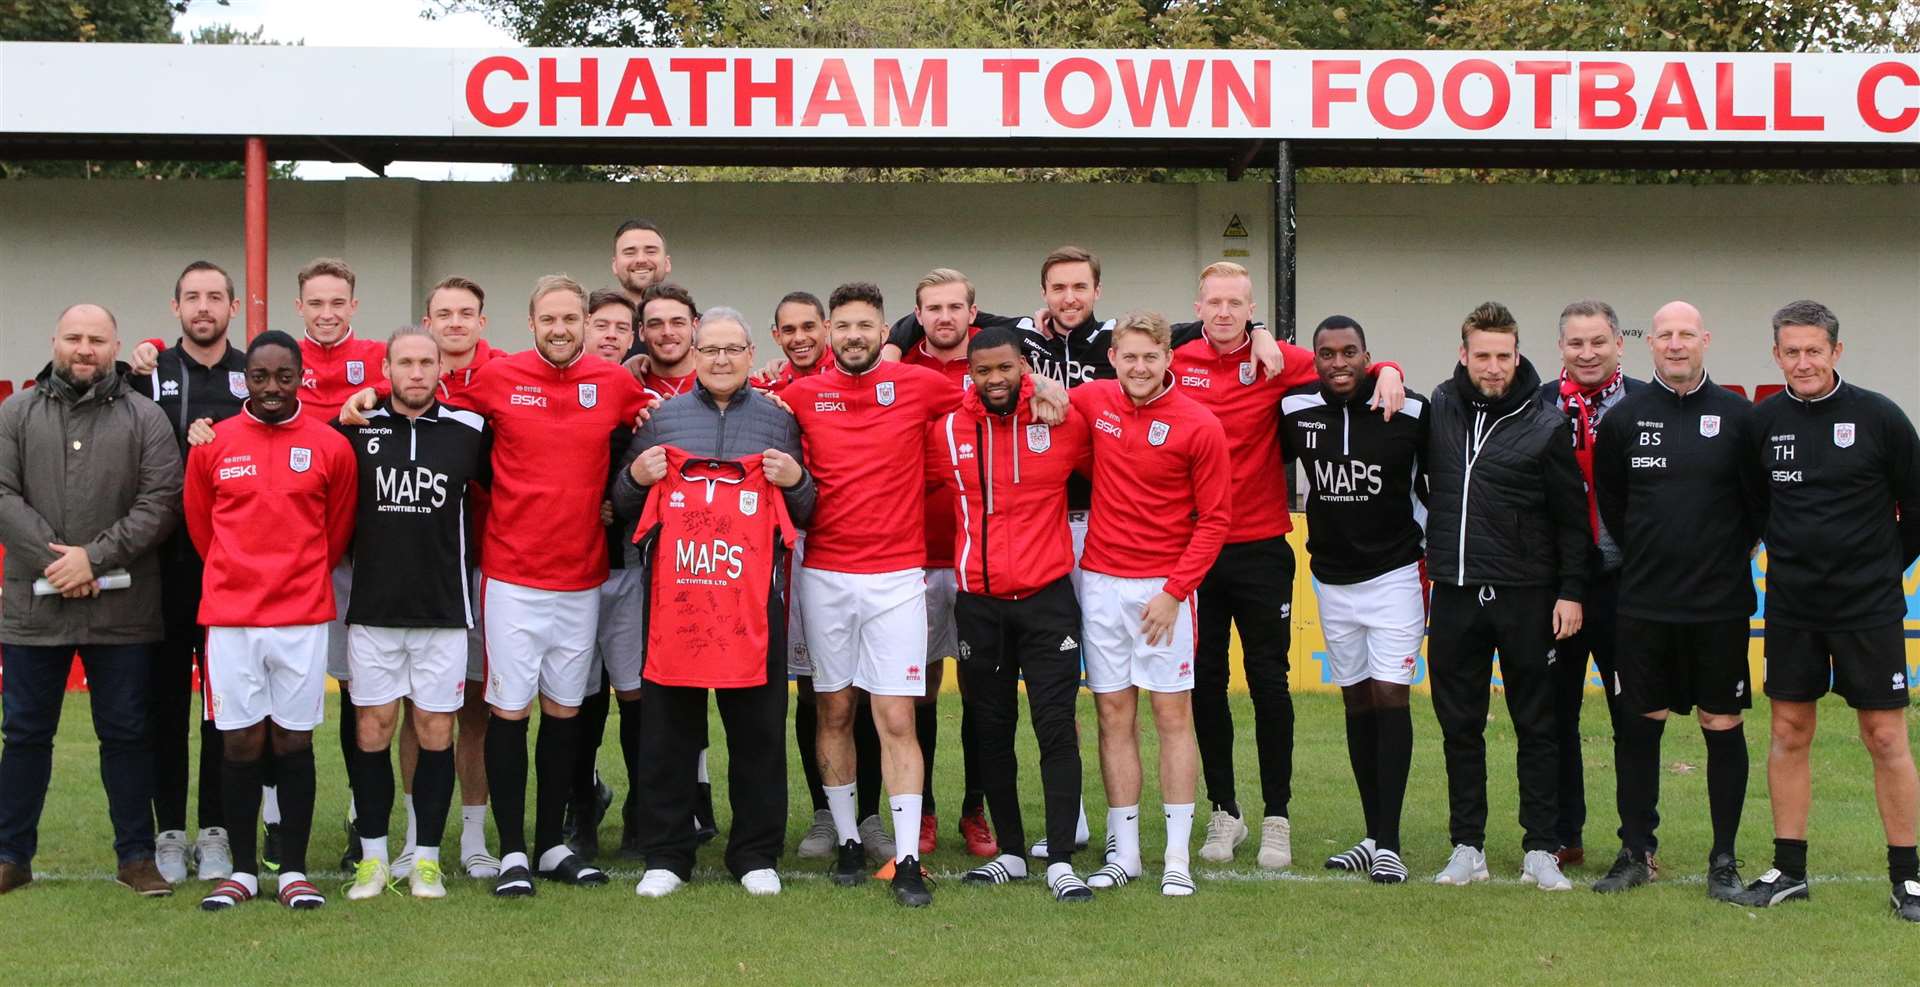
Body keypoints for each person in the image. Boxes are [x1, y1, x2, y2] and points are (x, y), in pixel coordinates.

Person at [1171, 262, 1404, 869]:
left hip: (1260, 547)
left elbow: (1349, 368)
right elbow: (1125, 359)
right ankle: (1225, 813)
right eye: (1214, 302)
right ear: (1198, 306)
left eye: (1236, 303)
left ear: (1252, 309)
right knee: (1205, 682)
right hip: (1192, 549)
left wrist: (1394, 372)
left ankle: (1277, 816)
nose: (1224, 312)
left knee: (1271, 684)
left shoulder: (1285, 361)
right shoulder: (1175, 360)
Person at [442, 275, 651, 897]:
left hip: (584, 576)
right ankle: (510, 853)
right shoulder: (495, 380)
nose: (560, 328)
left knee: (566, 711)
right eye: (549, 319)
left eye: (571, 317)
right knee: (510, 711)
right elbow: (428, 400)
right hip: (512, 577)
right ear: (530, 323)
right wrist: (366, 395)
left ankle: (552, 844)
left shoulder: (614, 384)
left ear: (586, 322)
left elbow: (657, 420)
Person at [613, 309, 814, 897]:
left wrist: (795, 479)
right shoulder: (659, 419)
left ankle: (754, 854)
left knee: (757, 734)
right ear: (695, 355)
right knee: (668, 735)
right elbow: (622, 505)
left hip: (753, 607)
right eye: (710, 350)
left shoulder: (780, 421)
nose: (721, 359)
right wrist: (639, 476)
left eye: (733, 349)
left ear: (752, 354)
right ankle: (666, 855)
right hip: (675, 606)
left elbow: (806, 510)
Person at [782, 282, 963, 907]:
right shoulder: (800, 395)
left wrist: (1046, 392)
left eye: (866, 325)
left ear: (885, 332)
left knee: (895, 716)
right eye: (843, 326)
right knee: (833, 712)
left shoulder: (920, 384)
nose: (854, 336)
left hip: (897, 580)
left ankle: (909, 859)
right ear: (829, 334)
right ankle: (850, 845)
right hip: (825, 577)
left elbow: (999, 386)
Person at [1738, 300, 1920, 921]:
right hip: (1792, 606)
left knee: (1885, 735)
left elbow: (1915, 507)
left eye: (1815, 350)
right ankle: (1789, 870)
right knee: (1789, 731)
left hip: (1868, 607)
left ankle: (1909, 879)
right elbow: (1754, 508)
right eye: (1792, 351)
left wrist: (1877, 569)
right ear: (1777, 354)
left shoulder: (1880, 418)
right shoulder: (1762, 423)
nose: (1804, 361)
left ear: (1837, 352)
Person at [0, 303, 182, 897]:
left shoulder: (146, 418)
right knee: (25, 733)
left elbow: (160, 503)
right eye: (74, 337)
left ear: (115, 345)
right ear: (55, 340)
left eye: (97, 339)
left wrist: (93, 559)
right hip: (34, 607)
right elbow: (2, 493)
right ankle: (11, 855)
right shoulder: (16, 413)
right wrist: (59, 561)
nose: (85, 348)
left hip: (123, 611)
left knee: (128, 732)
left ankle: (136, 857)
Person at [1590, 301, 1764, 898]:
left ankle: (1724, 861)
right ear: (1649, 344)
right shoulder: (1624, 419)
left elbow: (1757, 508)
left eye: (1686, 334)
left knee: (1722, 723)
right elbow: (1614, 504)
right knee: (1640, 725)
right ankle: (1636, 851)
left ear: (1705, 340)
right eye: (1664, 335)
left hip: (1719, 606)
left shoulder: (1742, 417)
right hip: (1643, 604)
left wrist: (1718, 555)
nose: (1675, 344)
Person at [186, 330, 357, 911]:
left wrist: (294, 576)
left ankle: (293, 871)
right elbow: (201, 527)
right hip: (231, 618)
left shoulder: (331, 446)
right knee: (239, 741)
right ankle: (240, 872)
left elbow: (335, 532)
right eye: (260, 377)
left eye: (284, 377)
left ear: (301, 377)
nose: (272, 389)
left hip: (301, 616)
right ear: (245, 380)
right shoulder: (214, 444)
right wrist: (239, 574)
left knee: (292, 738)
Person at [1423, 301, 1589, 893]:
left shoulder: (1545, 421)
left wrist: (1571, 592)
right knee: (1459, 726)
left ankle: (1540, 848)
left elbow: (1572, 520)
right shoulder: (1437, 408)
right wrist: (1388, 367)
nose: (1493, 367)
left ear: (1518, 355)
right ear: (1463, 355)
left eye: (1504, 355)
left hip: (1527, 595)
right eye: (1482, 355)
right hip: (1456, 593)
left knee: (1537, 725)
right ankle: (1467, 846)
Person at [1071, 311, 1231, 898]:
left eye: (1150, 356)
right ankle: (1127, 854)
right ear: (1113, 358)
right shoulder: (1093, 400)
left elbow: (1215, 522)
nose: (1139, 367)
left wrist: (1173, 592)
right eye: (1129, 356)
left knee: (1171, 717)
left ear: (1170, 358)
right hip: (1101, 584)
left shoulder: (1198, 424)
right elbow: (1036, 390)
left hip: (1164, 589)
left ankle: (1177, 858)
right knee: (1113, 715)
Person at [939, 326, 1096, 901]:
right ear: (971, 374)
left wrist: (1060, 393)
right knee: (991, 729)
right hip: (978, 604)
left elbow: (1116, 403)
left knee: (1055, 728)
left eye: (1005, 368)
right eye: (984, 371)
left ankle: (1059, 859)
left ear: (1023, 367)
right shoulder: (950, 426)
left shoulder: (1063, 418)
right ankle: (1010, 852)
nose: (995, 380)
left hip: (1047, 600)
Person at [339, 327, 491, 901]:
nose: (417, 372)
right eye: (405, 362)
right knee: (372, 728)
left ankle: (426, 859)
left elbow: (513, 487)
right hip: (373, 609)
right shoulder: (357, 426)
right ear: (386, 368)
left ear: (440, 369)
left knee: (435, 730)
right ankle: (374, 860)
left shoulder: (470, 432)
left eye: (427, 362)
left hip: (442, 611)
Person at [1280, 315, 1427, 884]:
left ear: (1368, 355)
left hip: (1394, 575)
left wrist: (1393, 372)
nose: (1339, 362)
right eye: (1327, 353)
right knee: (1358, 702)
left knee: (1392, 696)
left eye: (1350, 352)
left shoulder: (1409, 410)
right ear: (1314, 358)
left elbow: (1435, 483)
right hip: (1332, 580)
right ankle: (1371, 835)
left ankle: (1389, 842)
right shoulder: (1295, 411)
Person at [759, 292, 889, 863]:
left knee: (867, 691)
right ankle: (823, 813)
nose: (801, 337)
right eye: (788, 330)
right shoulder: (775, 394)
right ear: (777, 336)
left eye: (809, 326)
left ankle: (868, 816)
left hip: (865, 553)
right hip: (800, 554)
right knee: (815, 690)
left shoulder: (869, 378)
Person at [132, 261, 249, 885]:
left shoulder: (252, 375)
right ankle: (169, 832)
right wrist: (134, 359)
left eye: (215, 297)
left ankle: (218, 830)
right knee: (165, 703)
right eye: (192, 297)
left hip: (231, 566)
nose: (204, 307)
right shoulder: (148, 374)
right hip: (162, 567)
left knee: (222, 707)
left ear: (234, 306)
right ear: (174, 306)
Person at [1540, 299, 1647, 871]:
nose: (1587, 353)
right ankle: (1564, 835)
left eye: (1598, 342)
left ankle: (1639, 841)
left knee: (1633, 715)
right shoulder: (1537, 405)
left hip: (1626, 584)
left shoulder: (1647, 405)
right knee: (1556, 714)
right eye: (1576, 343)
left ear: (1619, 344)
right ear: (1560, 347)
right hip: (1558, 586)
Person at [894, 268, 993, 858]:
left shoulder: (997, 366)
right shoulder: (898, 371)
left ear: (972, 312)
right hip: (916, 553)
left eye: (956, 306)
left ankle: (974, 811)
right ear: (919, 314)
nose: (945, 317)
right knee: (922, 689)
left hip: (980, 554)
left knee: (983, 686)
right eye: (933, 308)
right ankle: (924, 809)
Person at [565, 288, 644, 860]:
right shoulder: (555, 390)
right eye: (602, 324)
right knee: (580, 698)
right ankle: (581, 804)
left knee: (637, 696)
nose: (612, 335)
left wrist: (626, 502)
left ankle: (646, 810)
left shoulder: (638, 396)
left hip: (631, 568)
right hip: (570, 570)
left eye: (623, 326)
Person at [637, 283, 700, 401]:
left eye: (678, 323)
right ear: (641, 331)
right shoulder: (629, 386)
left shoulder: (721, 379)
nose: (667, 332)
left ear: (694, 327)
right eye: (656, 324)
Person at [611, 218, 672, 307]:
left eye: (651, 252)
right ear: (614, 265)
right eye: (630, 253)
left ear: (667, 263)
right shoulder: (594, 319)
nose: (641, 260)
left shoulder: (692, 319)